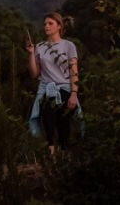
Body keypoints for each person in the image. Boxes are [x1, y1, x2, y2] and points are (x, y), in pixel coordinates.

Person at [26, 11, 80, 153]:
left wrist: (74, 93)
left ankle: (65, 158)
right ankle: (51, 157)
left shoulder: (69, 46)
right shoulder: (40, 47)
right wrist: (31, 53)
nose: (46, 26)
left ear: (59, 26)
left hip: (64, 89)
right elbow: (34, 74)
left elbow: (74, 72)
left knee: (64, 125)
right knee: (48, 124)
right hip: (46, 89)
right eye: (45, 24)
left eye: (50, 23)